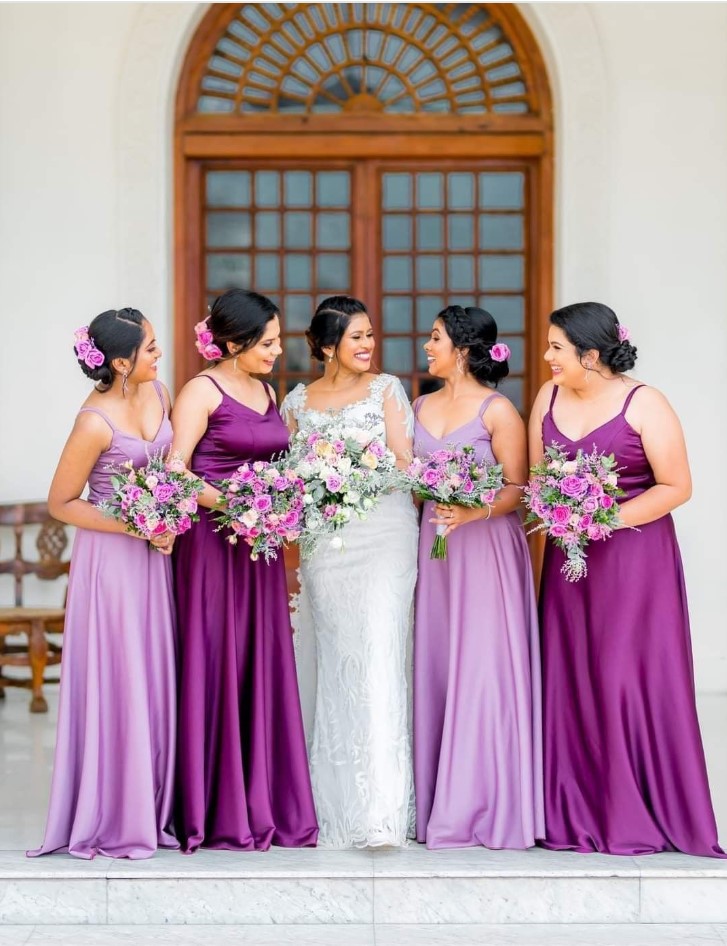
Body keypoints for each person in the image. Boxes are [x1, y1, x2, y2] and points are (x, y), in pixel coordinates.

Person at [530, 301, 724, 857]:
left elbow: (676, 486)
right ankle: (573, 810)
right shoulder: (548, 398)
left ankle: (633, 811)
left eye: (556, 348)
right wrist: (561, 509)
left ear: (590, 356)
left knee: (622, 679)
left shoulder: (647, 403)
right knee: (571, 675)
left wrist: (602, 516)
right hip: (570, 564)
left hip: (635, 567)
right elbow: (541, 477)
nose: (547, 358)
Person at [171, 288, 317, 853]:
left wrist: (278, 504)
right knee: (216, 656)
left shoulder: (264, 391)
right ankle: (212, 805)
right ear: (233, 342)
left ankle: (262, 798)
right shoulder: (199, 392)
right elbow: (176, 473)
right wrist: (236, 506)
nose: (278, 351)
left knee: (258, 658)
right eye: (269, 342)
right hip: (210, 547)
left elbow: (276, 462)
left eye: (279, 341)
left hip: (260, 552)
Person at [29, 308, 177, 859]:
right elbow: (61, 503)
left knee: (153, 670)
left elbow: (170, 469)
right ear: (120, 362)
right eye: (151, 348)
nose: (159, 355)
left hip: (153, 555)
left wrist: (169, 522)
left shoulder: (159, 394)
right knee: (120, 674)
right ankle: (113, 811)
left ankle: (154, 803)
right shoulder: (93, 422)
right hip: (109, 561)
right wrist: (137, 523)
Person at [281, 295, 418, 848]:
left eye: (370, 335)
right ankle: (330, 802)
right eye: (357, 336)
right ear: (327, 343)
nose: (368, 346)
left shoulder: (387, 390)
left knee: (380, 653)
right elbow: (290, 472)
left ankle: (381, 811)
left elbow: (406, 464)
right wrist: (322, 482)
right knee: (337, 658)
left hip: (384, 534)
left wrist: (359, 474)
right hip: (326, 544)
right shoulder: (297, 402)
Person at [413, 305, 543, 850]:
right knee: (439, 661)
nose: (427, 345)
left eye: (436, 338)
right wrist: (429, 491)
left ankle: (486, 802)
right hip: (434, 549)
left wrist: (471, 509)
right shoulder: (418, 404)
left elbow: (519, 489)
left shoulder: (499, 412)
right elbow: (410, 479)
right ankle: (437, 799)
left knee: (483, 666)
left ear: (463, 350)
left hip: (485, 547)